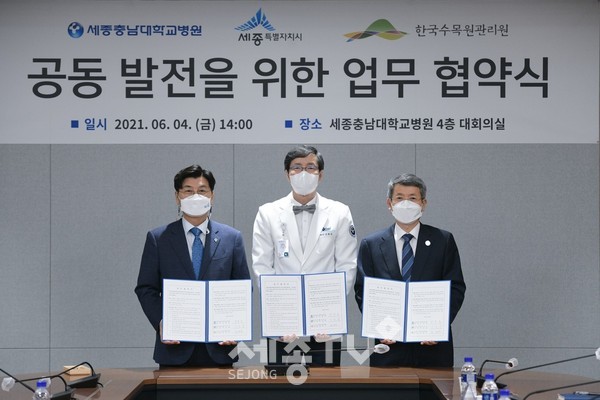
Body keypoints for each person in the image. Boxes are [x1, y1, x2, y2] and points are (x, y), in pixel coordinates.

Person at [135, 164, 250, 368]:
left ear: (212, 196)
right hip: (174, 348)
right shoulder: (158, 238)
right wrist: (162, 322)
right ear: (177, 196)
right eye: (188, 191)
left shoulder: (231, 238)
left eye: (202, 190)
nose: (195, 196)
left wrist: (235, 325)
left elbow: (242, 287)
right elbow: (146, 288)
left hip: (220, 347)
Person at [252, 145, 358, 366]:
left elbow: (347, 266)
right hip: (283, 324)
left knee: (325, 382)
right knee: (280, 383)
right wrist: (279, 313)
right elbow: (262, 267)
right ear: (287, 174)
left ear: (321, 174)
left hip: (325, 323)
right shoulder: (267, 212)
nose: (303, 173)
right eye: (297, 167)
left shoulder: (339, 212)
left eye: (310, 167)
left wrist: (330, 310)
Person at [354, 173, 466, 367]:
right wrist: (380, 326)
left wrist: (438, 326)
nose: (406, 204)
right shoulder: (371, 244)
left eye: (412, 198)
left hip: (433, 347)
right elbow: (363, 291)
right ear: (389, 203)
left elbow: (455, 287)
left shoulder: (443, 240)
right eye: (399, 198)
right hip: (388, 347)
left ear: (423, 204)